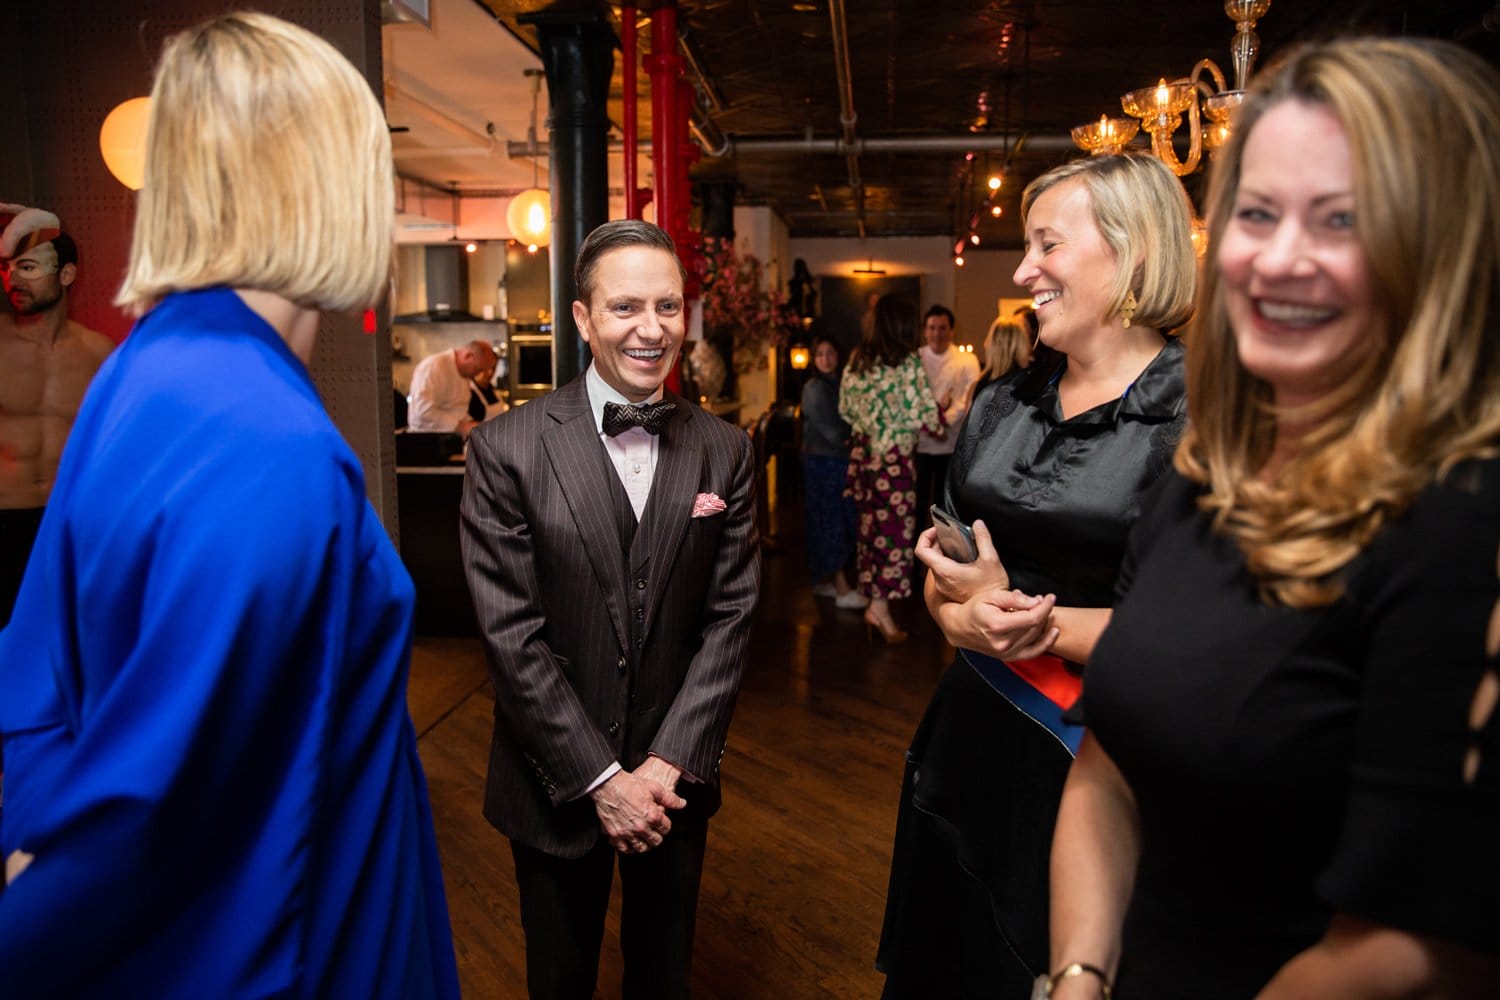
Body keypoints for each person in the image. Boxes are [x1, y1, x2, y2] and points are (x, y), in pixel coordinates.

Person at [0, 13, 459, 997]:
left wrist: (31, 831)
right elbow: (151, 815)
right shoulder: (266, 445)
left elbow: (34, 673)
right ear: (319, 180)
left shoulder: (143, 371)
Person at [1048, 38, 1500, 999]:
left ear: (1439, 252)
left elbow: (1418, 945)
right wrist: (1079, 977)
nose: (1278, 257)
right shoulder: (1202, 477)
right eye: (1256, 213)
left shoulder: (1459, 522)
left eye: (1341, 219)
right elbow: (1110, 764)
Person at [876, 152, 1196, 998]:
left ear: (1129, 252)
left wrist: (1036, 626)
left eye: (1046, 244)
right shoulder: (1001, 403)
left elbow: (1212, 631)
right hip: (976, 738)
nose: (1023, 272)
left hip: (1111, 763)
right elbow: (948, 576)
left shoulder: (1204, 416)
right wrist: (956, 616)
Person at [459, 219, 760, 1000]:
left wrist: (664, 767)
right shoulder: (507, 450)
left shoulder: (725, 451)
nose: (651, 329)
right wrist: (601, 780)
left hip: (674, 782)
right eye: (626, 307)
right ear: (584, 318)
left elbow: (730, 618)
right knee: (559, 980)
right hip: (554, 783)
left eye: (668, 306)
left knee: (663, 978)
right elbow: (510, 637)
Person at [0, 206, 113, 627]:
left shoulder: (98, 352)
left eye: (28, 267)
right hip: (5, 523)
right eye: (8, 269)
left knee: (68, 645)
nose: (13, 278)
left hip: (67, 525)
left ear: (66, 275)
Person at [838, 294, 943, 644]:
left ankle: (873, 603)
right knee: (894, 537)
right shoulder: (908, 363)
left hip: (865, 460)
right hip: (894, 461)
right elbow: (927, 415)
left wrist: (873, 424)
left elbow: (846, 410)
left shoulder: (858, 359)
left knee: (869, 534)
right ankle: (880, 609)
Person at [799, 334, 864, 609]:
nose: (826, 359)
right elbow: (833, 430)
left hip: (837, 461)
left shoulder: (840, 383)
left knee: (837, 520)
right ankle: (840, 588)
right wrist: (859, 442)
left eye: (830, 353)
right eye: (820, 354)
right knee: (830, 521)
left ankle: (825, 581)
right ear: (814, 360)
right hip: (823, 462)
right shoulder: (814, 387)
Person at [914, 305, 980, 526]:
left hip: (951, 445)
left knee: (944, 508)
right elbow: (912, 400)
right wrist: (932, 425)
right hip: (920, 445)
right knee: (917, 503)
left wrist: (943, 425)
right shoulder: (916, 359)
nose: (936, 333)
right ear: (925, 330)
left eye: (942, 328)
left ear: (951, 331)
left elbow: (967, 401)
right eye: (931, 328)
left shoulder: (966, 360)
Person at [407, 338, 497, 436]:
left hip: (451, 438)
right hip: (426, 438)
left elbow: (458, 409)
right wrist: (462, 426)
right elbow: (423, 410)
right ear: (468, 356)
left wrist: (474, 425)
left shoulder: (465, 374)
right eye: (477, 369)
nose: (477, 374)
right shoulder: (434, 366)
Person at [964, 313, 1034, 410]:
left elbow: (969, 423)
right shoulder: (1031, 384)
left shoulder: (979, 387)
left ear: (990, 345)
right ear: (1022, 345)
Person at [466, 347, 508, 424]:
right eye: (487, 367)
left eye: (493, 368)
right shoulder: (468, 393)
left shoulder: (491, 388)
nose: (490, 372)